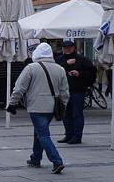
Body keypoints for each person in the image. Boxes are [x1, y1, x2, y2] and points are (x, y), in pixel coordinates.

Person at [6, 42, 68, 174]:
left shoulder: (31, 68)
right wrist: (63, 104)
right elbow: (65, 91)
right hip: (52, 107)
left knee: (43, 134)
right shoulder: (60, 69)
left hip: (36, 106)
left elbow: (20, 87)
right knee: (40, 131)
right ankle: (36, 158)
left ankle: (57, 161)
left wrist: (12, 103)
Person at [54, 39, 95, 144]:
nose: (67, 49)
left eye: (69, 47)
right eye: (65, 48)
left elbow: (92, 74)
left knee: (77, 114)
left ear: (74, 48)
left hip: (78, 91)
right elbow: (55, 70)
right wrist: (66, 64)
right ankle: (68, 135)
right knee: (66, 114)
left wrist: (79, 74)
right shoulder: (59, 60)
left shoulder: (83, 60)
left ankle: (77, 136)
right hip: (64, 92)